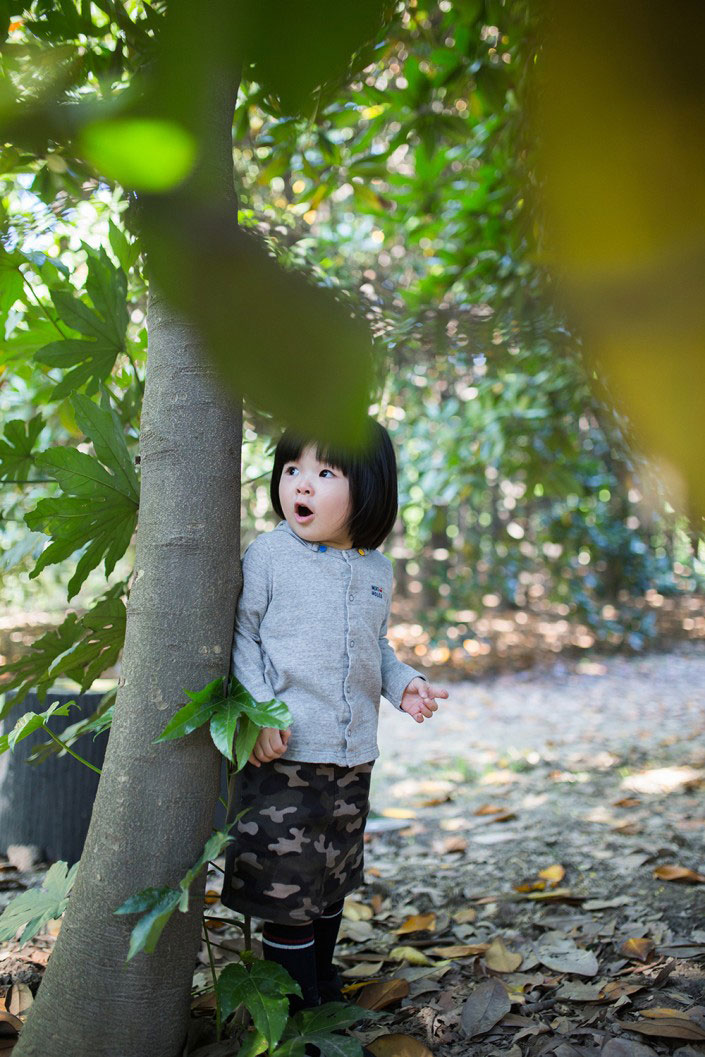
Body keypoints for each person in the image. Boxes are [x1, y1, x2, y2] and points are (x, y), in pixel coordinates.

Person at [221, 418, 448, 1018]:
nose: (303, 485)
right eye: (293, 470)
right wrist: (259, 711)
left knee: (330, 880)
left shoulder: (377, 570)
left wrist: (406, 685)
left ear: (369, 489)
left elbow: (376, 649)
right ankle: (290, 1012)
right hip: (285, 757)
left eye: (326, 473)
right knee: (285, 888)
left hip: (351, 759)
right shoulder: (269, 556)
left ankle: (319, 987)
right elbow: (241, 637)